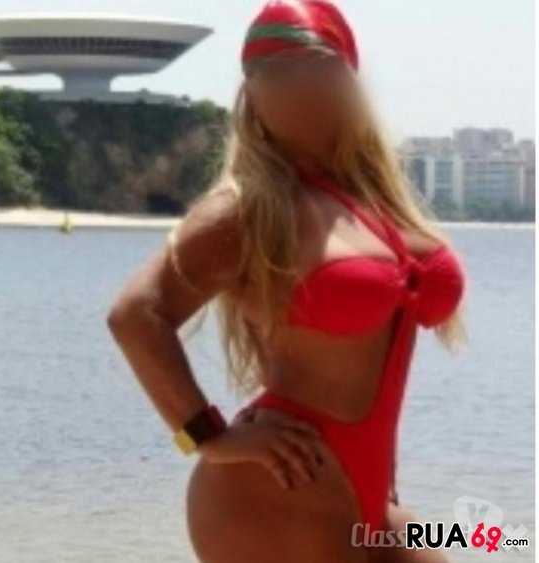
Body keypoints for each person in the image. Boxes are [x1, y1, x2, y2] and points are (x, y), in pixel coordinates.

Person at [107, 1, 468, 561]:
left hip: (367, 489)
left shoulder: (372, 202)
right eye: (273, 70)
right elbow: (135, 314)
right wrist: (208, 437)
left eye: (315, 63)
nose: (296, 82)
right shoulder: (247, 209)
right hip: (280, 480)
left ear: (348, 75)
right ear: (249, 94)